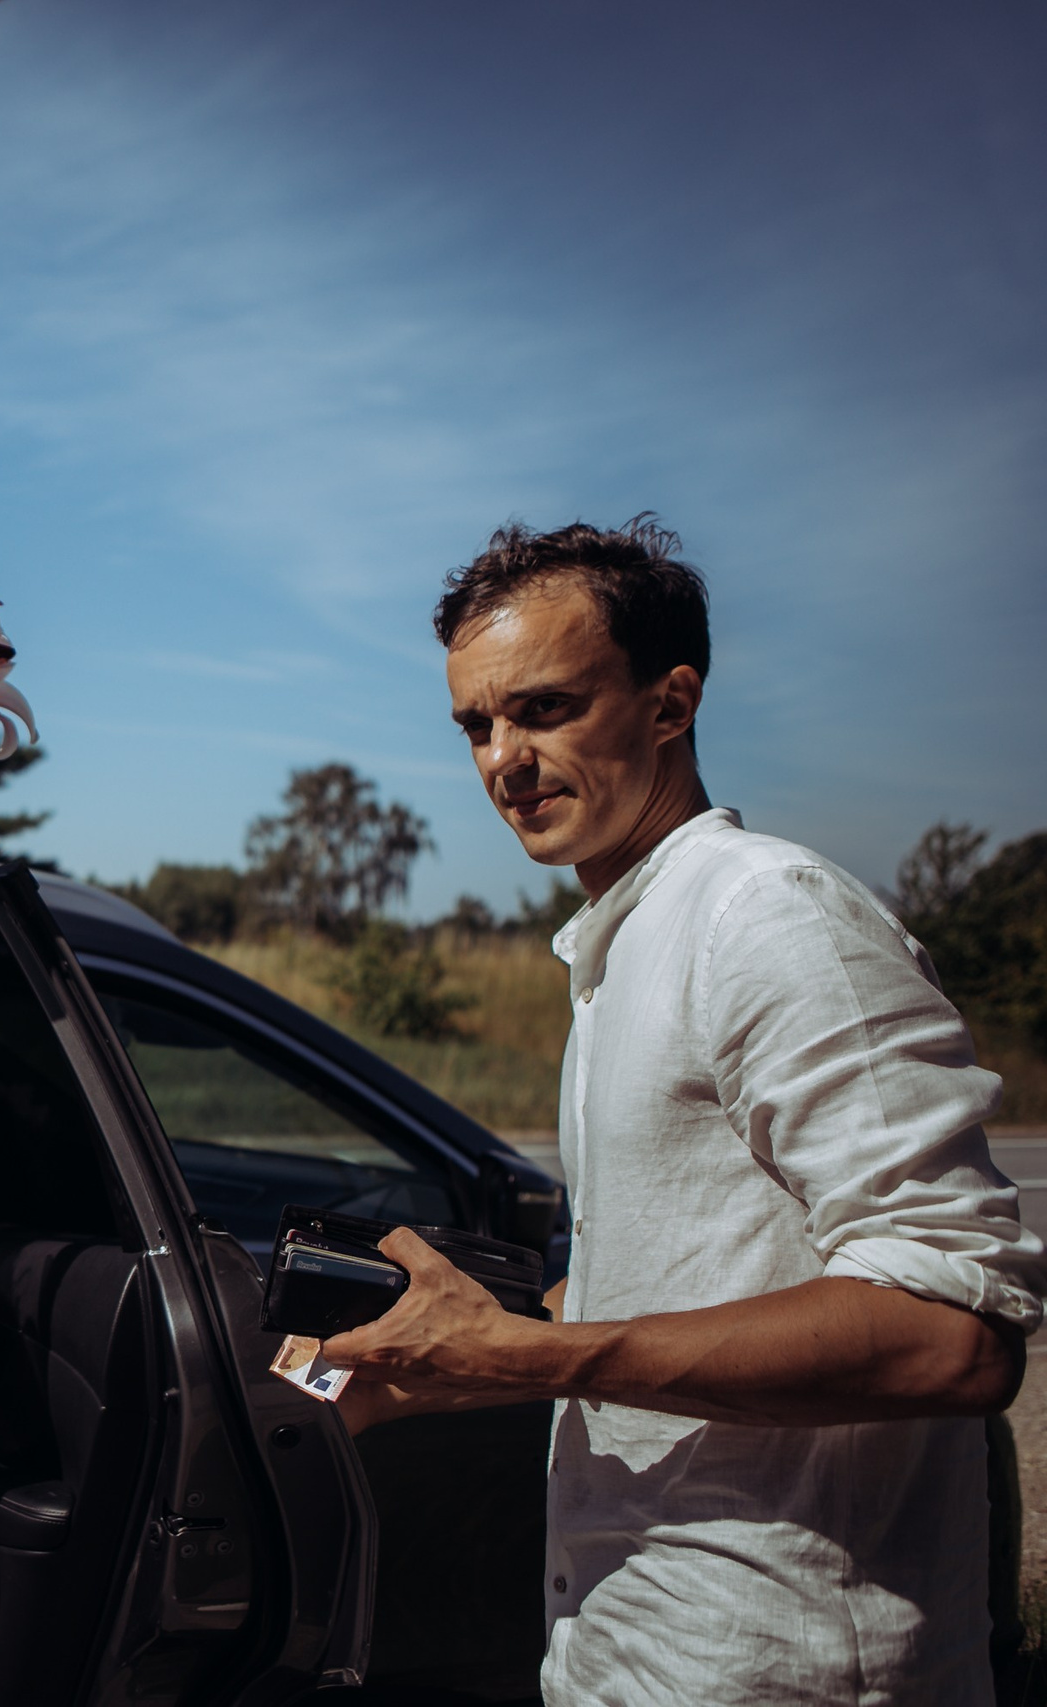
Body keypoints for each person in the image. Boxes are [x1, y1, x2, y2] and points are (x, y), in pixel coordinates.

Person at [324, 517, 1043, 1704]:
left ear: (670, 703)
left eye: (544, 709)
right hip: (625, 1648)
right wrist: (429, 1365)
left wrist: (538, 1355)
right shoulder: (618, 945)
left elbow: (951, 1329)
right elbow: (670, 1277)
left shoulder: (769, 917)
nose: (504, 759)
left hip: (783, 1665)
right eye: (476, 725)